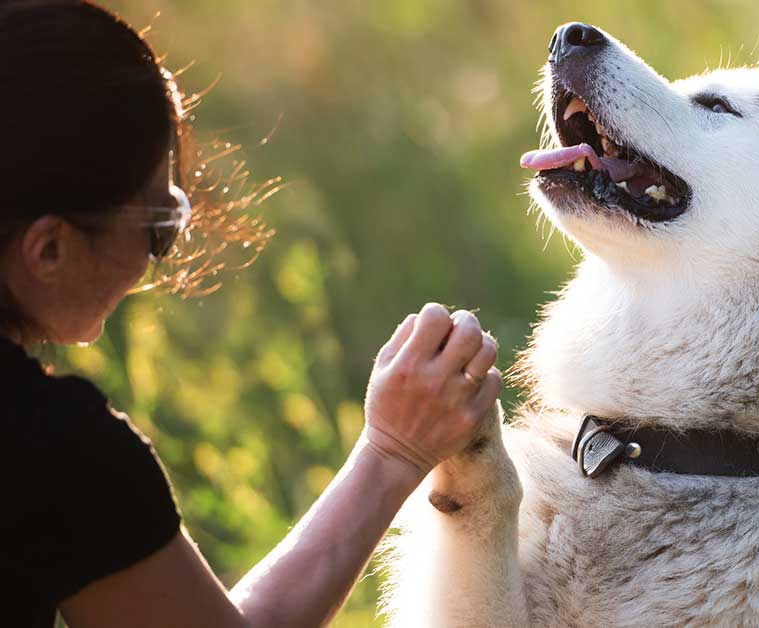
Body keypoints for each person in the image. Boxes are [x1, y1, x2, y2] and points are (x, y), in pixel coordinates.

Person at [0, 1, 503, 626]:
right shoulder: (53, 454)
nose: (159, 262)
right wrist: (392, 451)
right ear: (50, 249)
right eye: (161, 227)